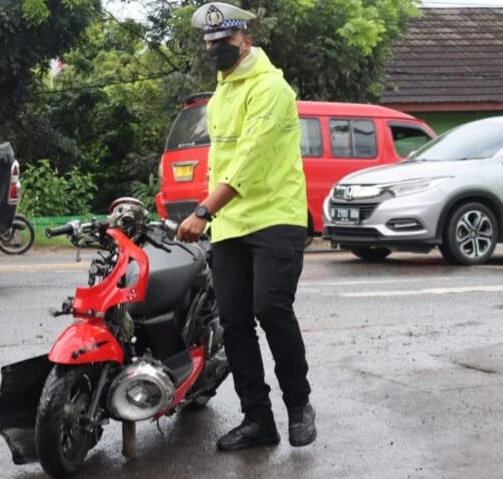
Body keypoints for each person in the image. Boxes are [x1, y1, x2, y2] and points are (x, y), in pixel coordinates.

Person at [177, 2, 316, 450]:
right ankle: (258, 420)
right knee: (234, 323)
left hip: (276, 216)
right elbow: (218, 162)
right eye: (211, 44)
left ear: (246, 41)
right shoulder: (221, 96)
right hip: (232, 223)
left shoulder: (271, 89)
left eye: (225, 42)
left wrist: (202, 211)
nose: (217, 49)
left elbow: (249, 162)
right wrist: (209, 211)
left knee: (270, 308)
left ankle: (298, 405)